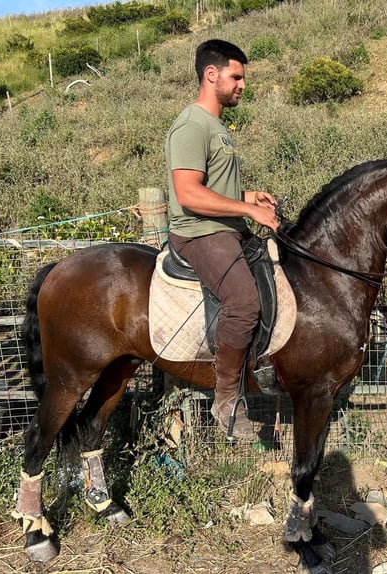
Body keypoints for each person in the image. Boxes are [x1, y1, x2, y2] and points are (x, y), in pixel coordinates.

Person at [164, 39, 279, 440]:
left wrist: (248, 197)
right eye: (237, 76)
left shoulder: (217, 127)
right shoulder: (192, 124)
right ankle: (227, 399)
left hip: (225, 227)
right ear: (211, 75)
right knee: (244, 303)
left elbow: (214, 186)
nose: (243, 85)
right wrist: (248, 211)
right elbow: (188, 194)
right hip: (199, 233)